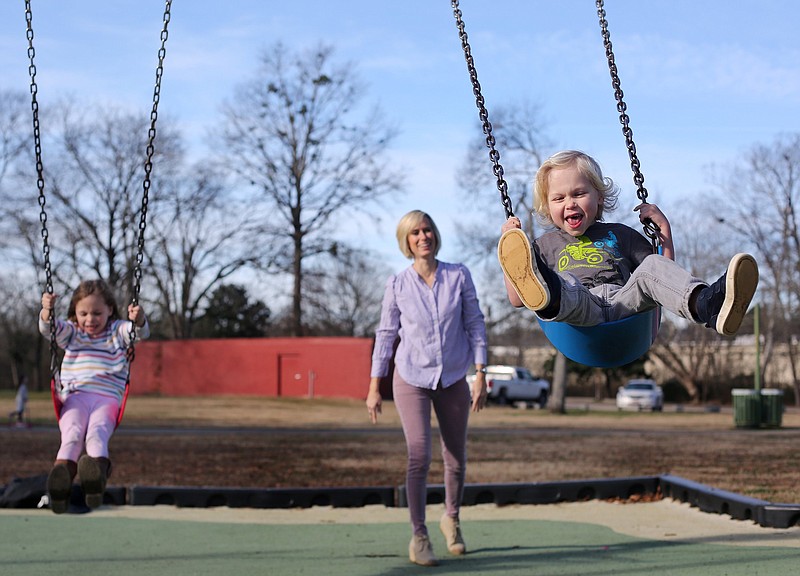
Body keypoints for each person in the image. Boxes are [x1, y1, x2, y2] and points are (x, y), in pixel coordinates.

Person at [498, 149, 759, 337]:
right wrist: (511, 251)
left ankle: (707, 304)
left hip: (625, 302)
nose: (570, 203)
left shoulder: (620, 234)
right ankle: (547, 292)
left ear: (599, 197)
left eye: (579, 193)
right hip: (579, 307)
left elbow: (662, 276)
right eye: (559, 198)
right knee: (565, 283)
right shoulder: (544, 245)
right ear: (548, 207)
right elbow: (517, 300)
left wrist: (664, 230)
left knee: (651, 265)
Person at [366, 210, 488, 567]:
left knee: (455, 457)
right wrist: (374, 386)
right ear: (406, 241)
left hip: (453, 377)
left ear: (435, 234)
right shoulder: (397, 284)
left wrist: (480, 372)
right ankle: (419, 536)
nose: (423, 237)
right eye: (415, 232)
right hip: (411, 377)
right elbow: (385, 336)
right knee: (419, 455)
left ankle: (451, 518)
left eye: (428, 230)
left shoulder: (458, 275)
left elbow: (475, 323)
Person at [39, 279, 149, 514]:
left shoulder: (116, 331)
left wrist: (138, 319)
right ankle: (61, 480)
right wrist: (47, 310)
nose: (90, 319)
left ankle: (95, 478)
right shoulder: (72, 332)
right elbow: (48, 328)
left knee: (96, 434)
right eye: (84, 313)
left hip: (106, 398)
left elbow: (139, 333)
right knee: (72, 435)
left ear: (110, 309)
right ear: (75, 313)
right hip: (75, 397)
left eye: (97, 313)